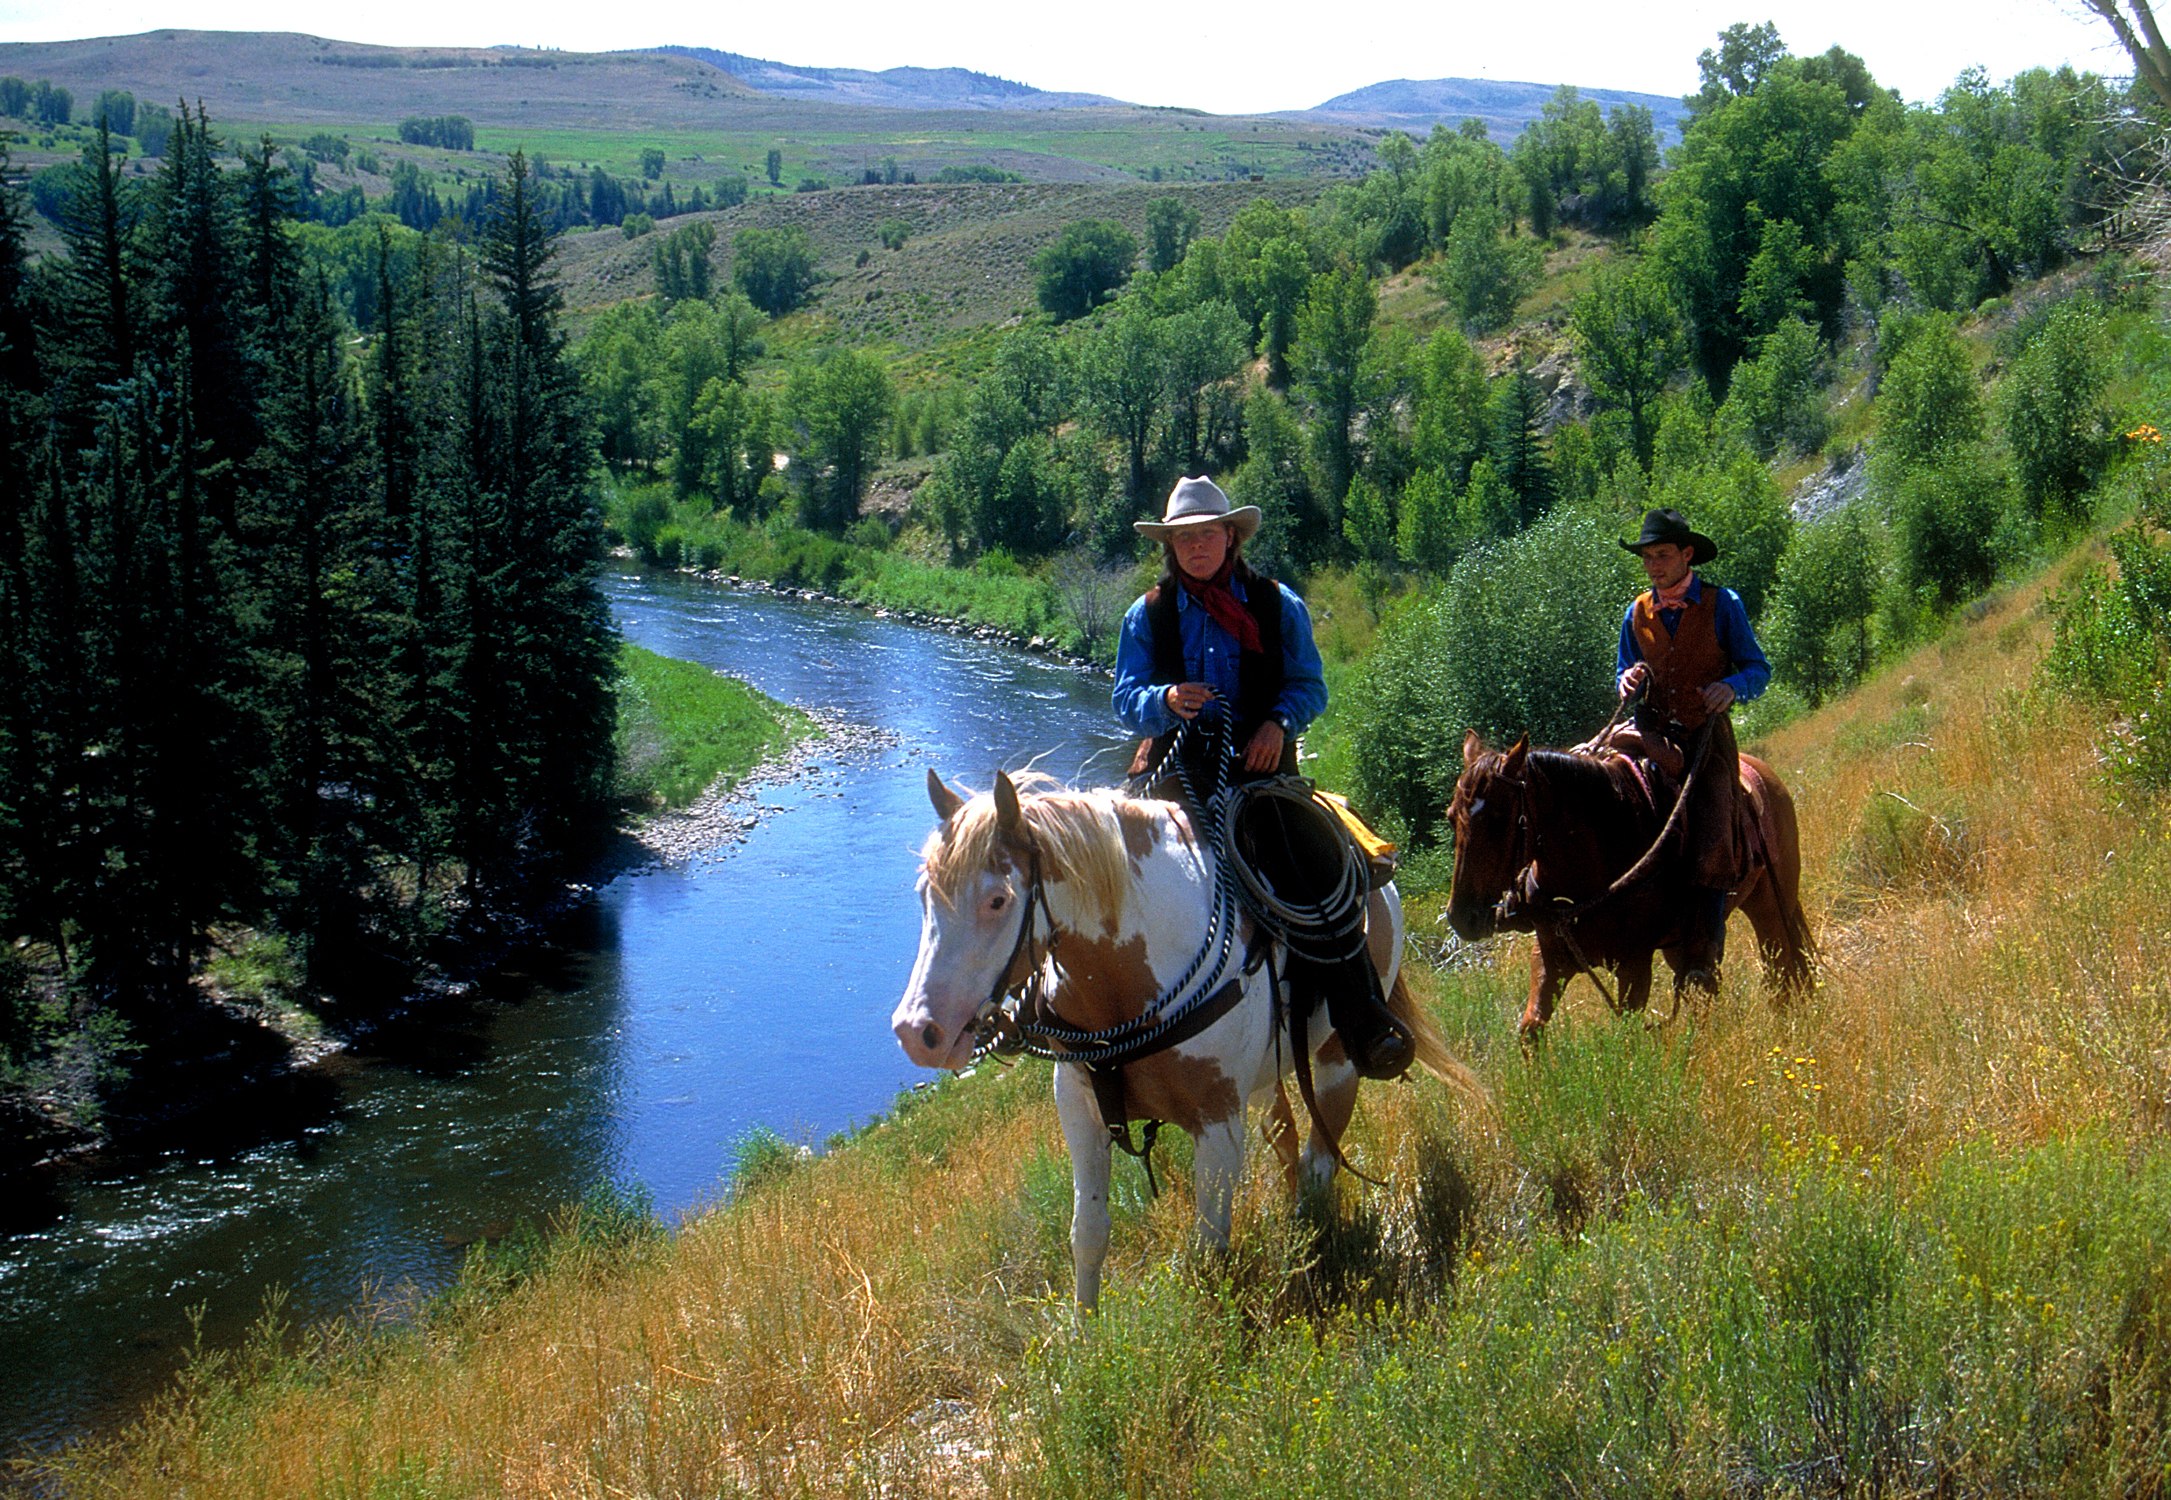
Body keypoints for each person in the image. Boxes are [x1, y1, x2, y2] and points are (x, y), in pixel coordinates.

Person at [1113, 476, 1410, 1080]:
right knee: (1101, 877)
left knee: (1316, 874)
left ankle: (1363, 1019)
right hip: (1174, 778)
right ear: (1171, 547)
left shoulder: (1277, 606)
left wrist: (1277, 722)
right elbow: (1125, 697)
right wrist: (1166, 699)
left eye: (1207, 535)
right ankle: (1089, 1034)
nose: (1196, 547)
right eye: (1184, 539)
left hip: (1262, 776)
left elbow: (1311, 687)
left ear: (1230, 537)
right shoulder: (1147, 615)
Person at [1615, 507, 1771, 992]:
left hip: (1706, 740)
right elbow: (1622, 672)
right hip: (1651, 736)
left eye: (1663, 555)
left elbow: (1757, 669)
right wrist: (1629, 681)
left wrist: (1732, 687)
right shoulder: (1636, 613)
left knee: (1712, 829)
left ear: (1686, 555)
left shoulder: (1723, 604)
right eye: (1647, 558)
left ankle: (1703, 954)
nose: (1654, 566)